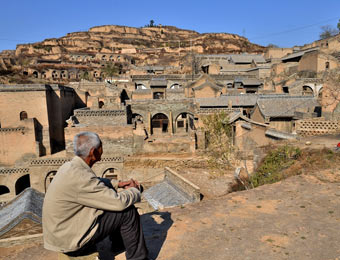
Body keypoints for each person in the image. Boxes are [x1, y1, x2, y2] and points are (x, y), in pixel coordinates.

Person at [42, 131, 149, 260]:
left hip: (61, 236)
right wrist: (135, 190)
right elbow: (118, 203)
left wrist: (117, 184)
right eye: (101, 146)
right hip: (71, 242)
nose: (102, 149)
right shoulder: (81, 177)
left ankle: (119, 245)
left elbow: (94, 182)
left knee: (108, 202)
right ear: (93, 152)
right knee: (127, 211)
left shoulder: (69, 166)